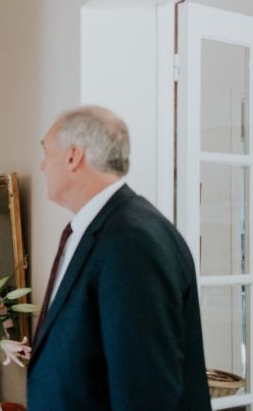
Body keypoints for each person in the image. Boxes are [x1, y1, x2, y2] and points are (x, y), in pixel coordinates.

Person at [28, 105, 210, 410]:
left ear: (74, 156)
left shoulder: (132, 241)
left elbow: (145, 389)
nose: (43, 165)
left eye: (47, 152)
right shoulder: (102, 229)